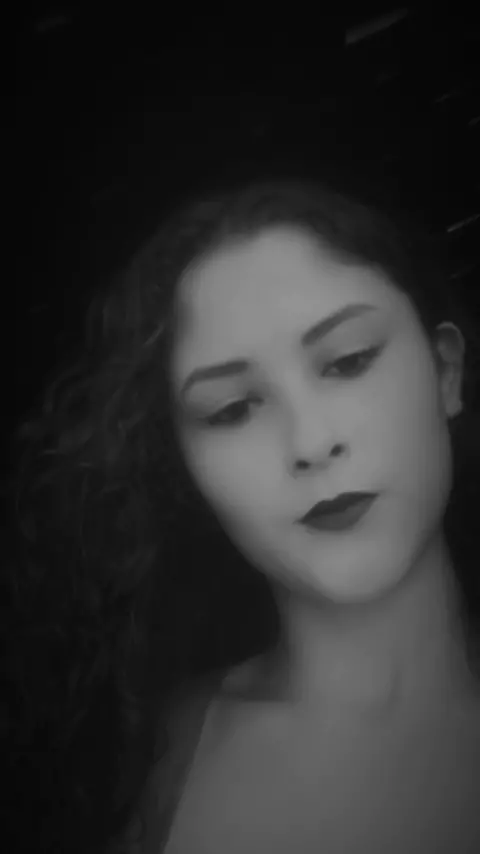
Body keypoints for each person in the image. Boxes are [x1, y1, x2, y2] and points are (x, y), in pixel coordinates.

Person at [6, 165, 480, 854]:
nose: (310, 443)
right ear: (184, 466)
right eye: (231, 409)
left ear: (446, 373)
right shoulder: (139, 768)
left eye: (347, 361)